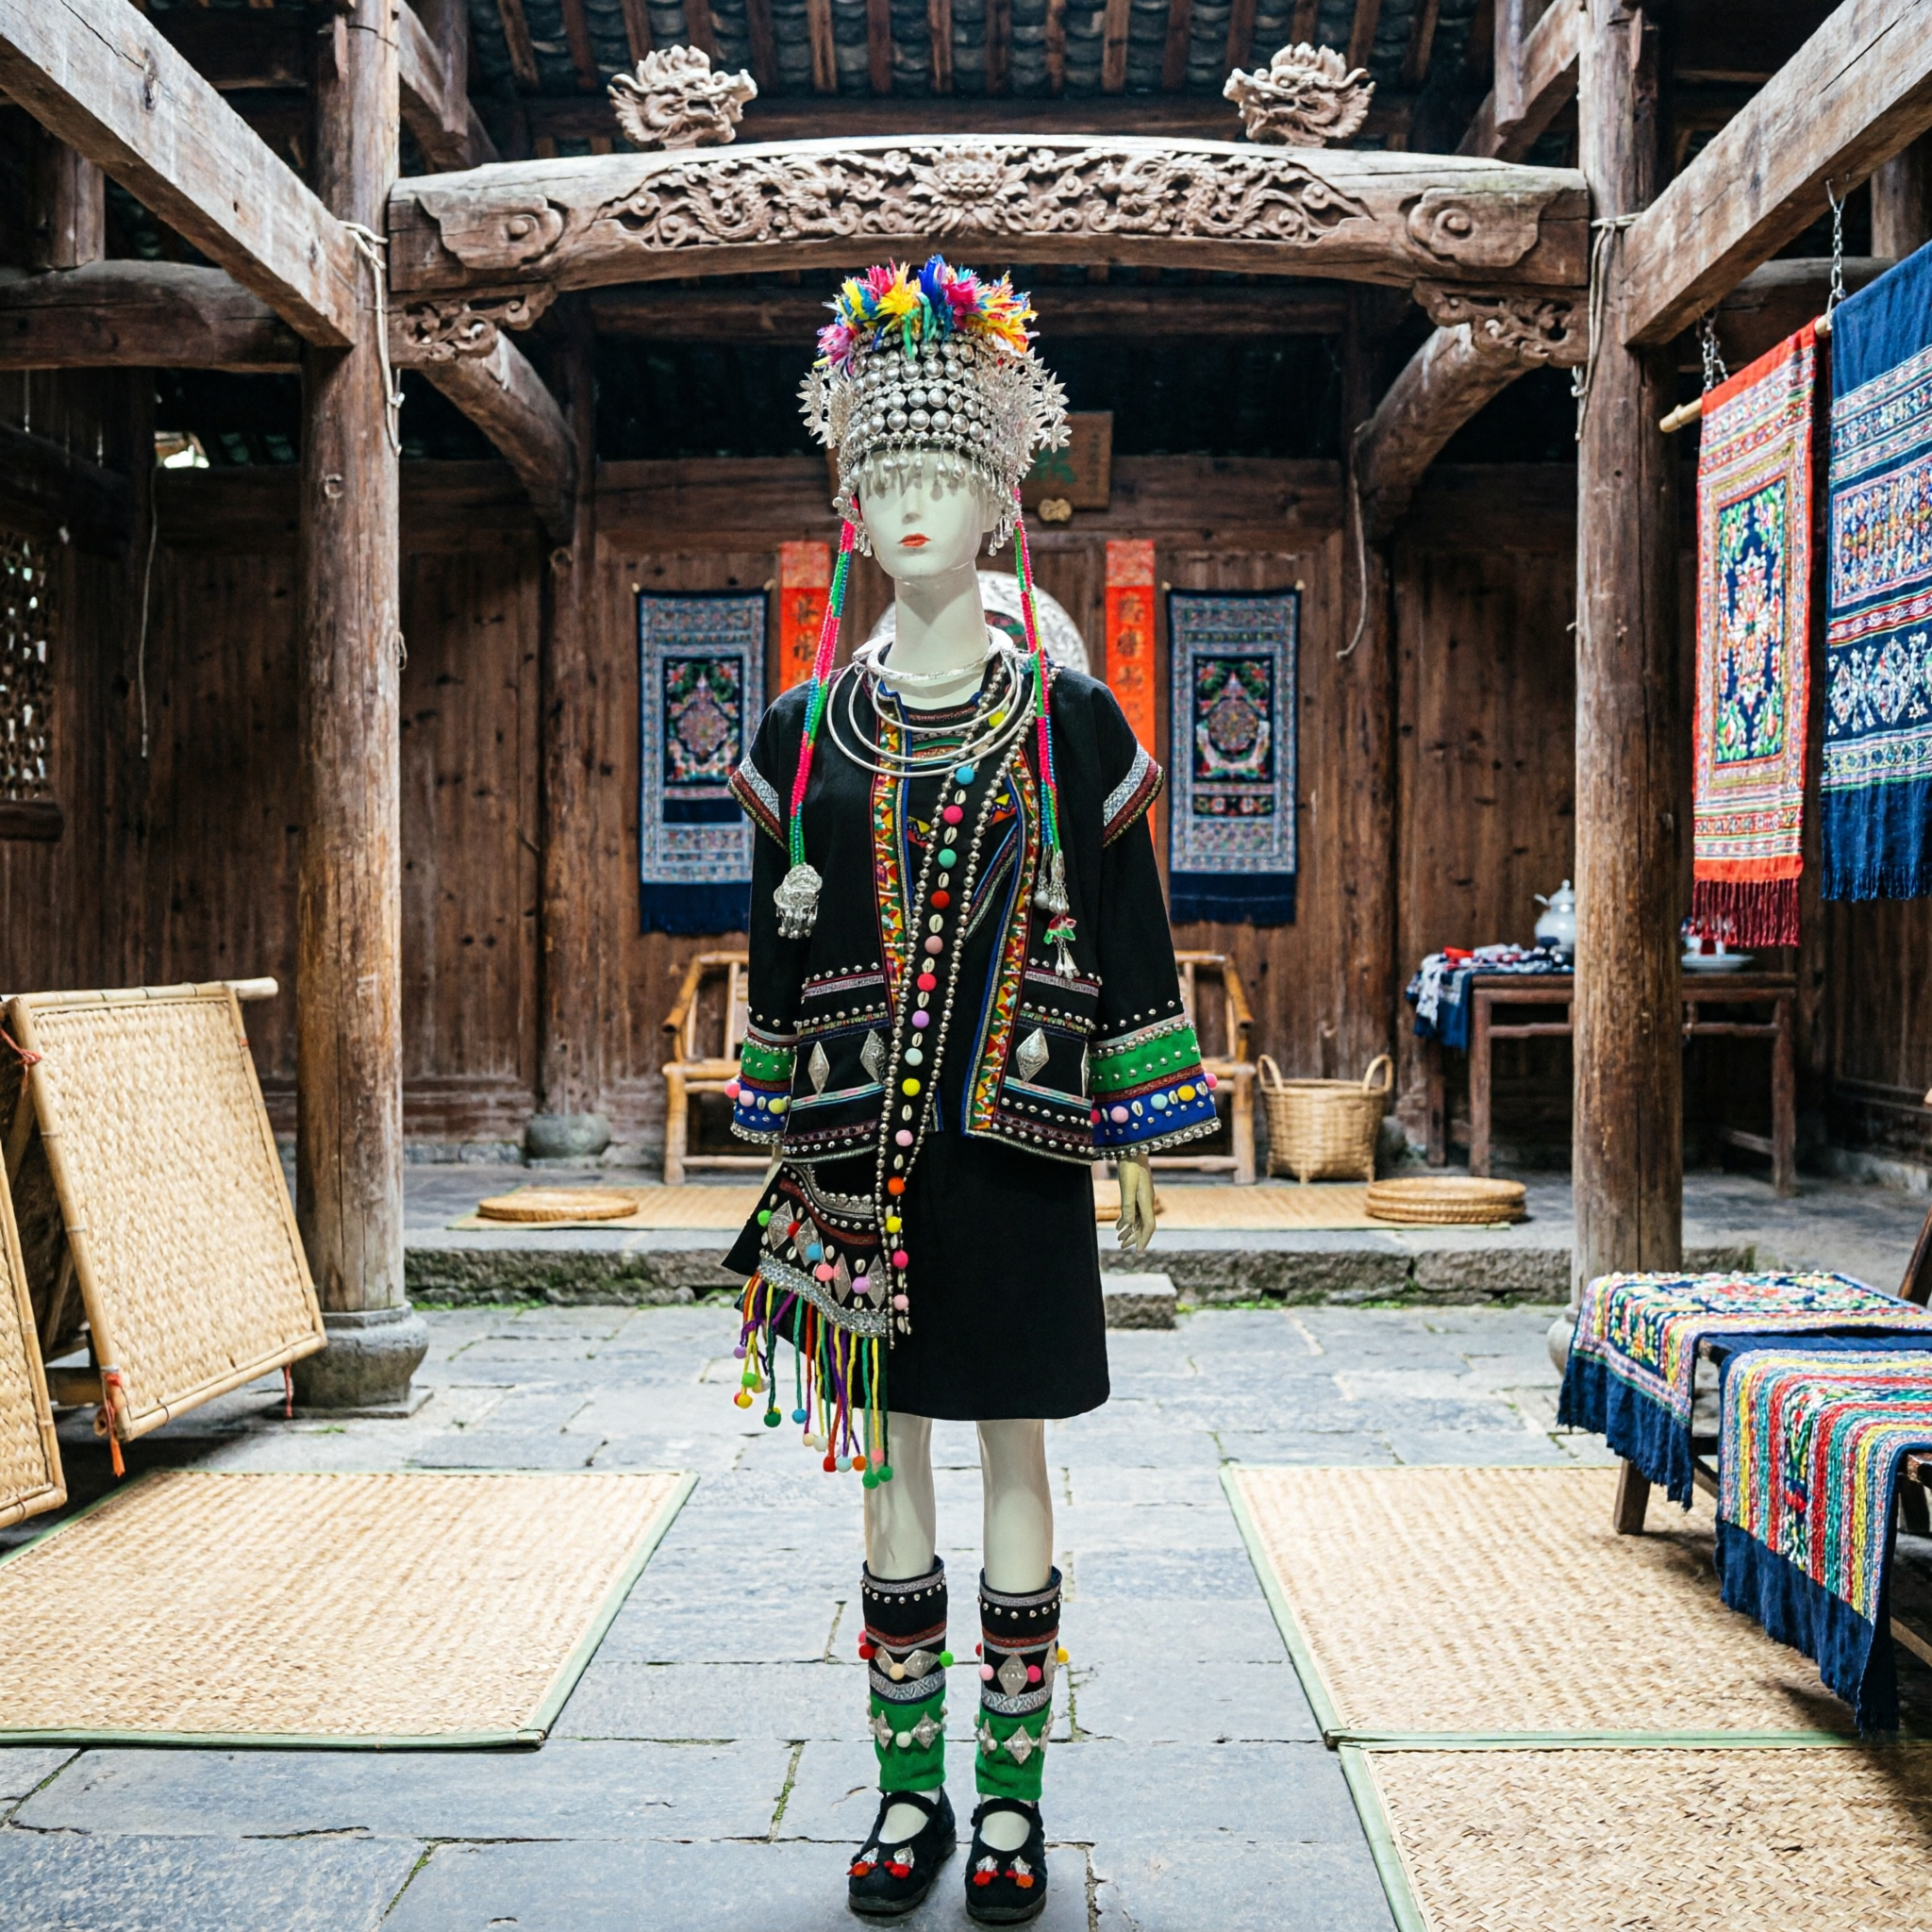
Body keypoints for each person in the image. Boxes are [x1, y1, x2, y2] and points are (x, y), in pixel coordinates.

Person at [722, 257, 1215, 1924]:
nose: (914, 503)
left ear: (1005, 501)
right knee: (886, 1462)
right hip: (857, 1165)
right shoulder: (802, 734)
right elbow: (775, 945)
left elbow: (1132, 918)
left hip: (1017, 1150)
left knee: (1014, 1450)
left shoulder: (1069, 719)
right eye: (886, 474)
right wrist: (778, 1113)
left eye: (945, 473)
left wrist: (1140, 1109)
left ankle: (1008, 1803)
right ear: (849, 503)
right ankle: (903, 1786)